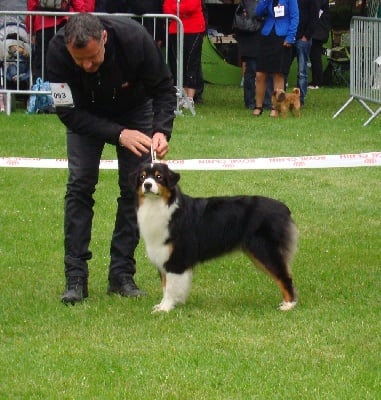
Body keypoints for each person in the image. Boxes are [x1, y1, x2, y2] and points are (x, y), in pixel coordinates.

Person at [46, 13, 177, 304]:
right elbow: (67, 113)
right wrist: (119, 134)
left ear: (104, 38)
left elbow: (164, 88)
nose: (87, 65)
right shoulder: (56, 52)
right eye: (79, 60)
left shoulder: (135, 39)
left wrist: (161, 130)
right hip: (84, 114)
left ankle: (121, 275)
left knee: (136, 190)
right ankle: (75, 278)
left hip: (134, 109)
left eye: (92, 57)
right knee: (80, 184)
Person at [252, 0, 299, 117]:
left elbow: (295, 17)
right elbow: (258, 12)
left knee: (278, 74)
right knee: (260, 74)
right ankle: (258, 106)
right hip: (267, 35)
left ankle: (276, 108)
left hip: (282, 37)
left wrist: (290, 36)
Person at [26, 0, 86, 81]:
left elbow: (31, 7)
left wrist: (30, 30)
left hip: (43, 25)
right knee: (65, 60)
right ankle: (65, 90)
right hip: (64, 25)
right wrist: (81, 26)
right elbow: (79, 5)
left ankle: (41, 89)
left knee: (42, 61)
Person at [163, 0, 206, 109]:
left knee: (191, 62)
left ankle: (190, 98)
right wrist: (181, 11)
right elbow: (166, 8)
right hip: (175, 30)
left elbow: (191, 7)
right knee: (177, 63)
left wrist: (177, 10)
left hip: (193, 29)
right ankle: (182, 95)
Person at [288, 0, 320, 105]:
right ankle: (282, 97)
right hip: (289, 37)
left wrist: (307, 35)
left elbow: (315, 16)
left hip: (303, 38)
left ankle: (300, 99)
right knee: (283, 69)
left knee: (302, 71)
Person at [308, 0, 330, 89]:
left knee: (315, 57)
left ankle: (317, 82)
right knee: (314, 57)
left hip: (318, 32)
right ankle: (315, 81)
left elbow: (315, 10)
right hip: (317, 31)